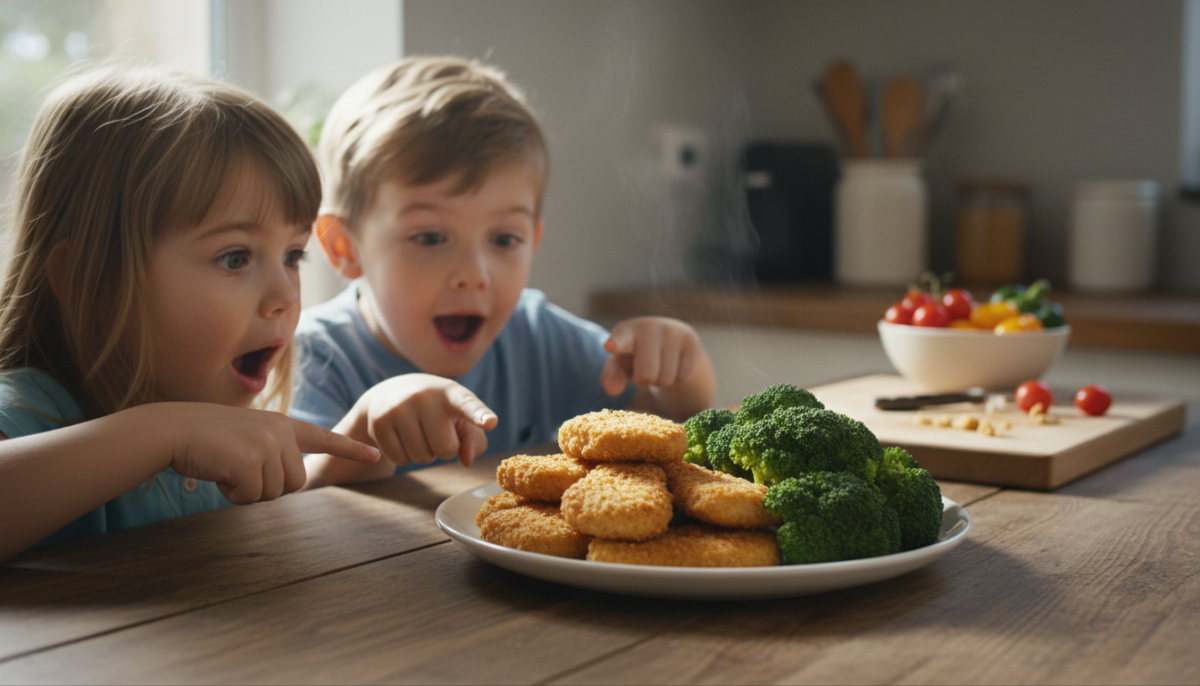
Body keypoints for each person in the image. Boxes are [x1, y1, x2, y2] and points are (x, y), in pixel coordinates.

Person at [0, 67, 381, 562]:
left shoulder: (214, 420)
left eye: (293, 255)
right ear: (94, 284)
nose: (285, 296)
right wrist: (162, 433)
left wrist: (360, 444)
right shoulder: (30, 410)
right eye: (235, 258)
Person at [293, 56, 717, 486]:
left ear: (532, 241)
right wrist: (363, 433)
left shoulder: (535, 335)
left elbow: (670, 417)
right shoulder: (311, 354)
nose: (475, 274)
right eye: (430, 238)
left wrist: (679, 363)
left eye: (503, 240)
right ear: (345, 247)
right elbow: (283, 514)